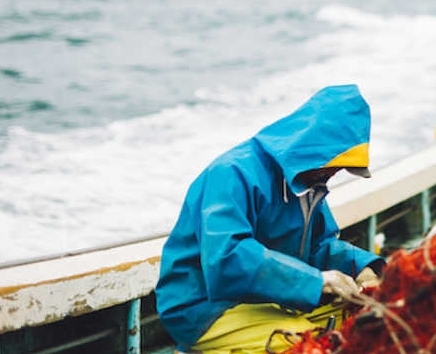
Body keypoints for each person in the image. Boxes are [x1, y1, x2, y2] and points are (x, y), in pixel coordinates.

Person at [155, 84, 385, 354]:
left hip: (272, 296)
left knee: (372, 315)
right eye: (334, 165)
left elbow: (319, 246)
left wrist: (363, 268)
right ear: (315, 150)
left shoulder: (307, 181)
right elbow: (227, 257)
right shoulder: (231, 173)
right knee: (307, 345)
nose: (335, 174)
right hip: (205, 306)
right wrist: (319, 281)